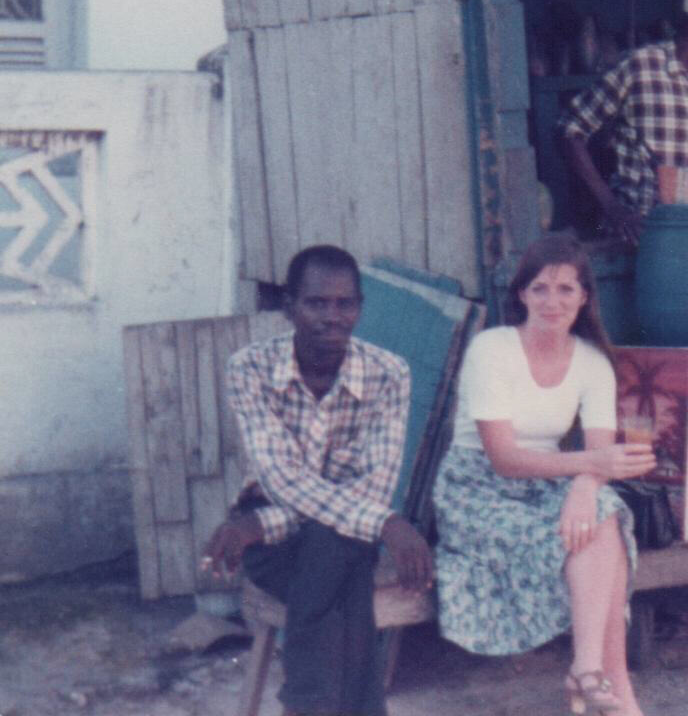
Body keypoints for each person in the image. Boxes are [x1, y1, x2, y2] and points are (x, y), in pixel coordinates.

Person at [202, 244, 433, 716]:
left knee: (330, 557)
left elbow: (372, 486)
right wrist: (388, 525)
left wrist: (260, 526)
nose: (332, 316)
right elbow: (281, 476)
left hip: (303, 530)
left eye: (345, 303)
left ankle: (305, 707)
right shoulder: (249, 369)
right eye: (317, 303)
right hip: (295, 539)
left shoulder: (389, 374)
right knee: (343, 586)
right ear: (289, 307)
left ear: (360, 308)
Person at [433, 234, 656, 715]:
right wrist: (588, 470)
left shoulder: (594, 361)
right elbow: (503, 459)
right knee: (603, 529)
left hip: (551, 481)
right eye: (540, 289)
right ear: (521, 296)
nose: (552, 302)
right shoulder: (492, 349)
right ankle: (616, 695)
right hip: (478, 490)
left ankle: (589, 671)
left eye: (565, 289)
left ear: (584, 297)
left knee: (603, 515)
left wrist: (583, 489)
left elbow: (596, 455)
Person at [560, 0, 688, 242]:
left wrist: (683, 181)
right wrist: (611, 207)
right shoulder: (640, 67)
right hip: (640, 235)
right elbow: (568, 132)